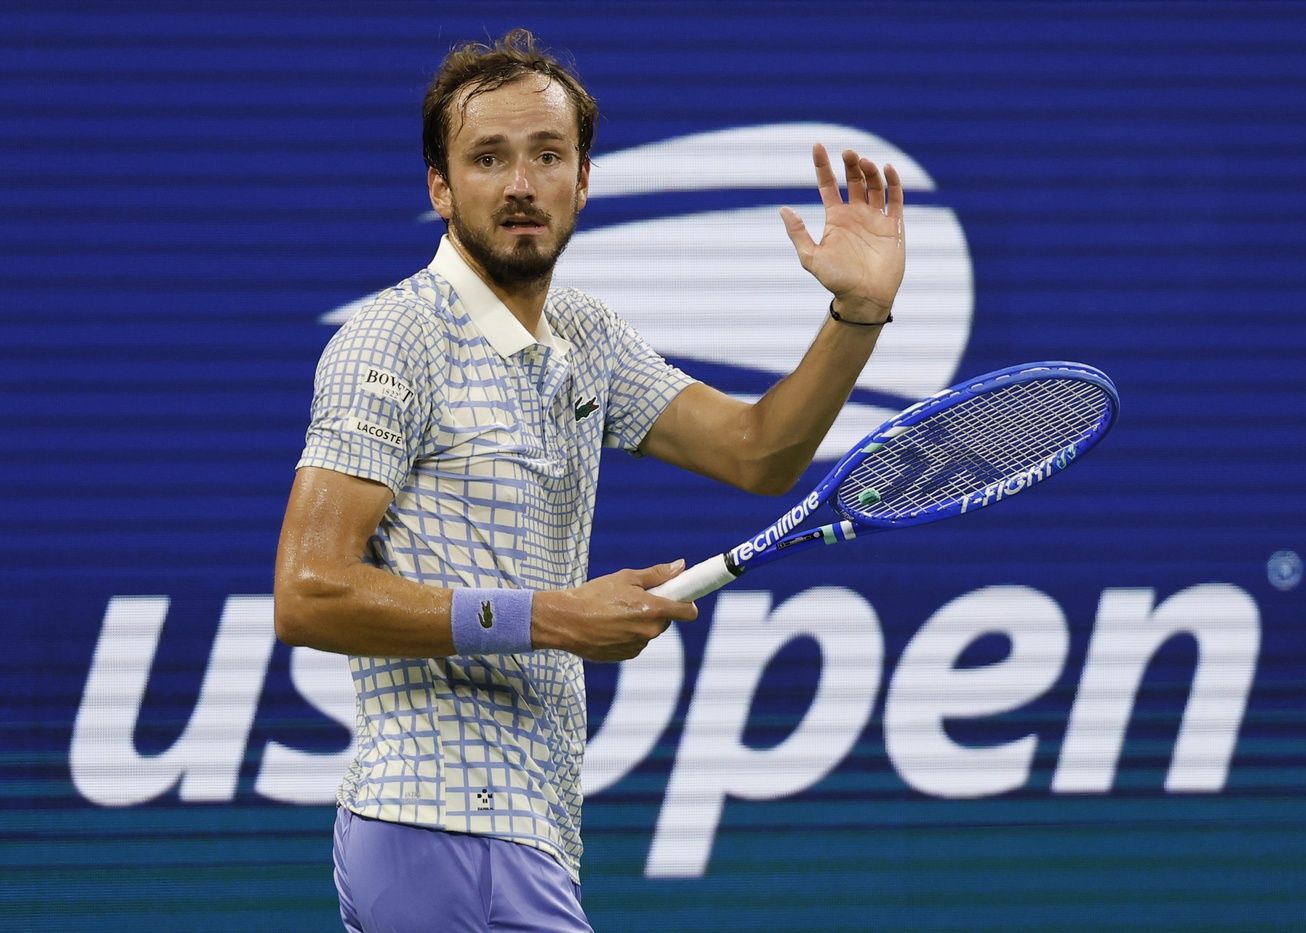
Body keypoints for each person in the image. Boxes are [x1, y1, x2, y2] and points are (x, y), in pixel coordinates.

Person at [273, 27, 905, 933]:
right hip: (439, 829)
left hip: (523, 836)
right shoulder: (392, 341)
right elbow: (306, 592)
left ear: (582, 180)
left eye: (547, 155)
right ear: (440, 190)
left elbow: (758, 451)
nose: (521, 184)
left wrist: (857, 312)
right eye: (488, 158)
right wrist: (553, 615)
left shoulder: (585, 336)